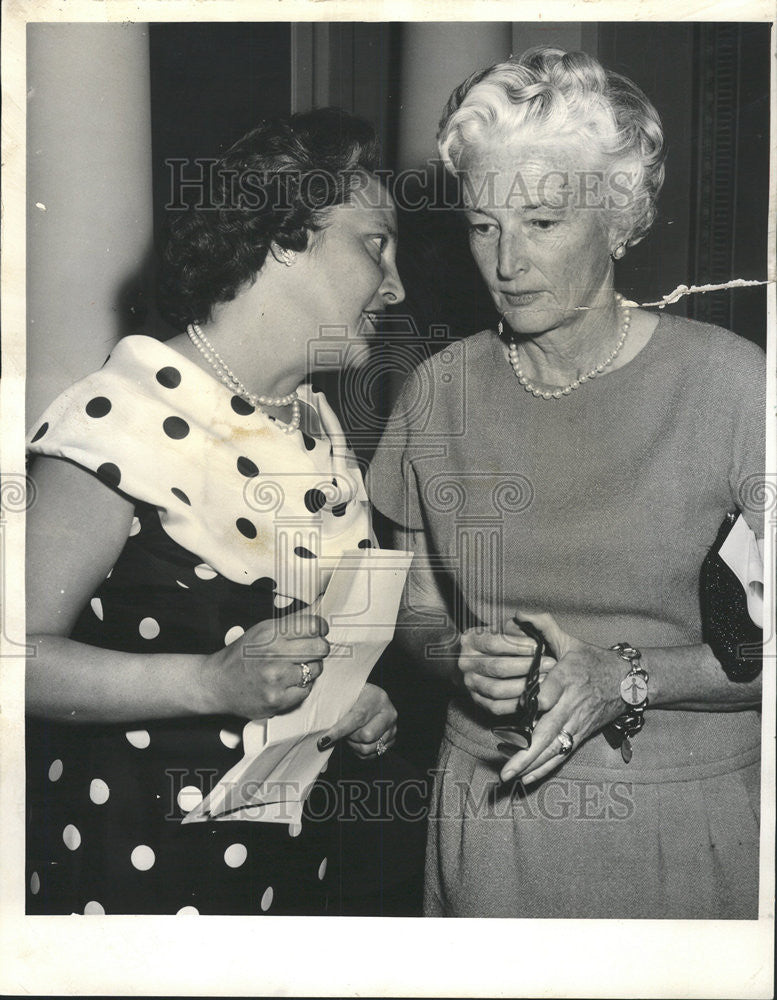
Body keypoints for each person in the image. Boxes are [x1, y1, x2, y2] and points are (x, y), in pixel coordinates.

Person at [367, 48, 765, 919]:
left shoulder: (737, 389)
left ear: (619, 220)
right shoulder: (436, 391)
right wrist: (457, 657)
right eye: (482, 225)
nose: (506, 261)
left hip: (682, 820)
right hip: (490, 812)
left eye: (542, 223)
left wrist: (627, 677)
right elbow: (417, 610)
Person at [25, 108, 406, 915]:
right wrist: (206, 683)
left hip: (285, 867)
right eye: (375, 244)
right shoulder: (114, 417)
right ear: (284, 237)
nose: (398, 284)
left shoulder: (314, 422)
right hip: (133, 872)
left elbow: (289, 648)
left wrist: (341, 699)